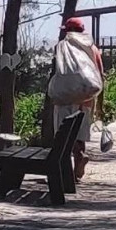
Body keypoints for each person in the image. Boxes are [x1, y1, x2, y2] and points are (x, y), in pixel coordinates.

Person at [46, 18, 105, 181]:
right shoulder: (93, 49)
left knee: (63, 134)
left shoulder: (62, 47)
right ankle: (79, 161)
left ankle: (76, 158)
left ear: (67, 31)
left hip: (64, 98)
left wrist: (53, 93)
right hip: (86, 98)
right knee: (80, 133)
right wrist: (100, 103)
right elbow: (100, 77)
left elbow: (57, 73)